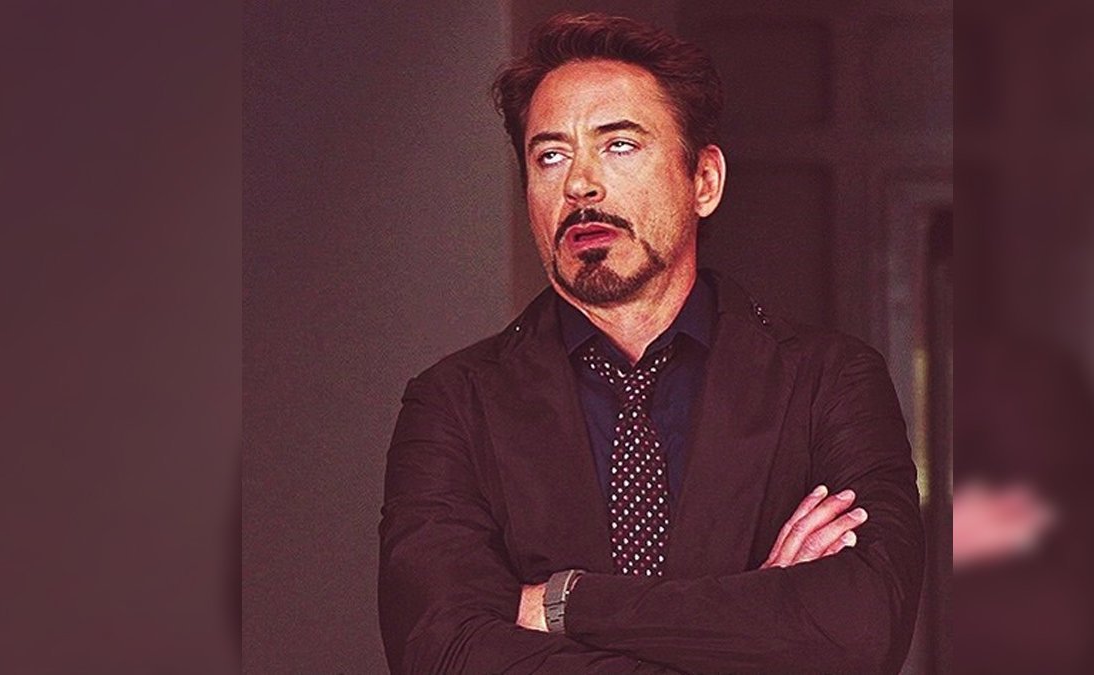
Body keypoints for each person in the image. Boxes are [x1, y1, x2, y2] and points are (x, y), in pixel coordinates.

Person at [379, 13, 923, 673]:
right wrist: (754, 626)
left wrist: (563, 603)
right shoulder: (452, 403)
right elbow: (441, 650)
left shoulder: (828, 382)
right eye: (550, 155)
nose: (579, 184)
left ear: (704, 182)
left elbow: (862, 627)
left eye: (619, 145)